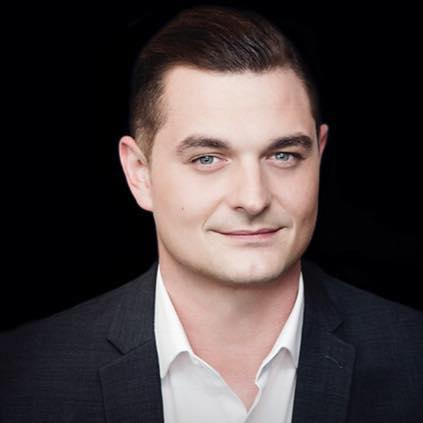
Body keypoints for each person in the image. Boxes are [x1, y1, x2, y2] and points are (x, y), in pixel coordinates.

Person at [1, 5, 422, 423]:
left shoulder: (414, 358)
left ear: (319, 156)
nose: (253, 199)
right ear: (139, 173)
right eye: (207, 159)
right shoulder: (21, 378)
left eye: (283, 155)